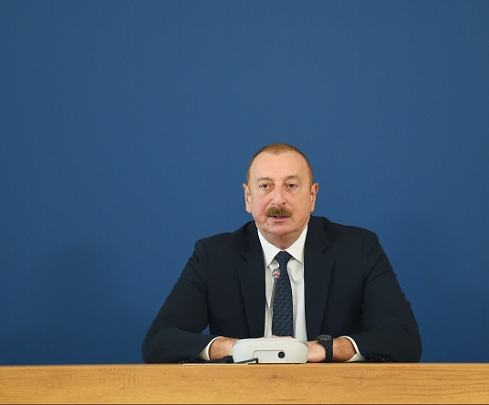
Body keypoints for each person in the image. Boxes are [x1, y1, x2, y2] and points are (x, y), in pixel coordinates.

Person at [141, 143, 422, 363]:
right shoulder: (214, 255)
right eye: (265, 186)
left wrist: (325, 348)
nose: (278, 200)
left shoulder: (358, 249)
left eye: (291, 186)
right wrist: (236, 348)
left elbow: (404, 339)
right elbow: (158, 341)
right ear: (248, 197)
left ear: (312, 196)